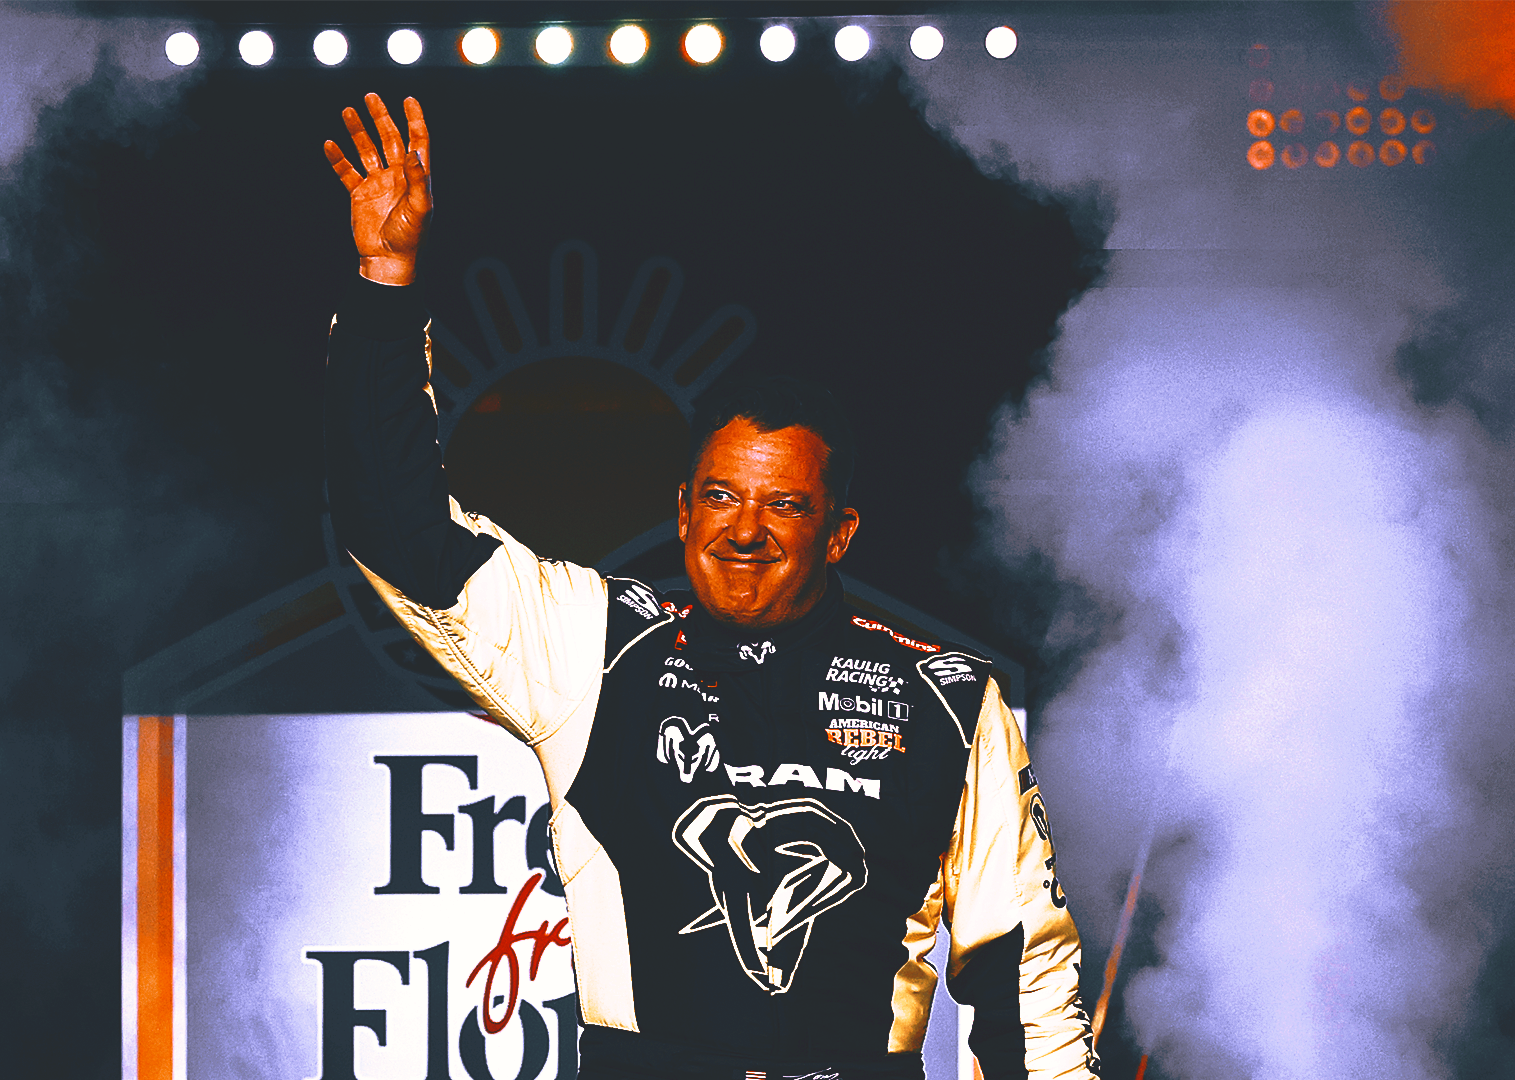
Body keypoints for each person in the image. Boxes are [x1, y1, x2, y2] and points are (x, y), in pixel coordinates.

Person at [322, 93, 1099, 1080]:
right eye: (722, 497)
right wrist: (386, 285)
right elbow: (397, 534)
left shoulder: (946, 698)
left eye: (784, 506)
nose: (744, 529)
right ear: (683, 511)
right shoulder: (596, 645)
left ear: (839, 532)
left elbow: (1024, 973)